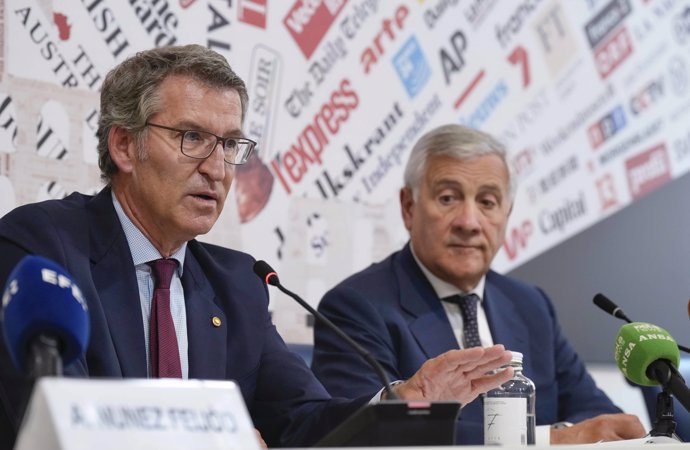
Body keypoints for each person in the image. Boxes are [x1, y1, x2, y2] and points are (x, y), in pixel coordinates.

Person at [0, 46, 516, 450]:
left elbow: (305, 422)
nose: (217, 168)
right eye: (191, 137)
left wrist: (404, 400)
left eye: (229, 145)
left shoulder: (237, 285)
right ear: (123, 145)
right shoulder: (44, 247)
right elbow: (47, 416)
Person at [311, 123, 647, 445]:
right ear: (409, 207)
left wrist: (568, 436)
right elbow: (362, 436)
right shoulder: (355, 306)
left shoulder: (530, 305)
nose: (469, 223)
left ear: (506, 214)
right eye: (447, 198)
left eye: (487, 202)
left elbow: (598, 415)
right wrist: (552, 439)